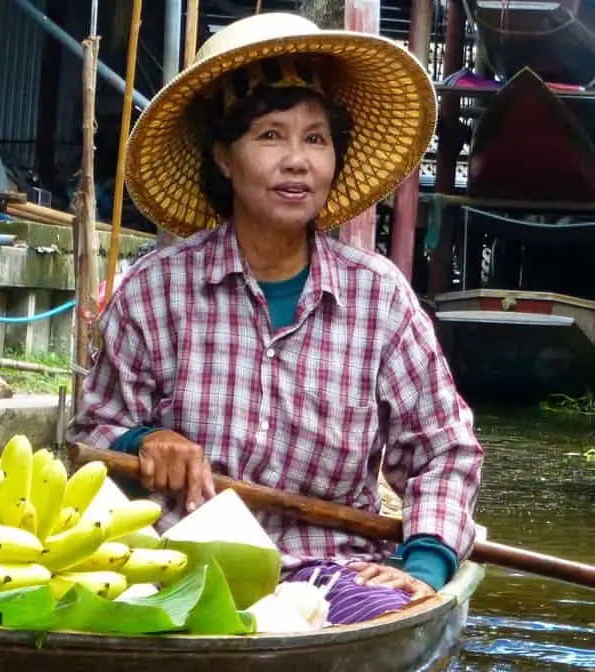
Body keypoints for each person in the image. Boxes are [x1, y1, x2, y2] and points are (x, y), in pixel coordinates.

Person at [67, 13, 484, 625]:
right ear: (223, 158)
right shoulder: (157, 290)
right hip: (178, 563)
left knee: (367, 609)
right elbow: (92, 436)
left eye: (315, 139)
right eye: (270, 136)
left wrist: (422, 566)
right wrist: (146, 440)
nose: (297, 161)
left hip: (330, 572)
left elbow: (444, 452)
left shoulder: (379, 299)